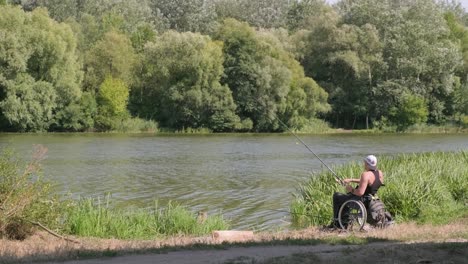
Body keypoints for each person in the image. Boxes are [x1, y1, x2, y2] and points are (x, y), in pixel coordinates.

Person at [330, 155, 384, 227]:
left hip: (361, 201)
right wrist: (351, 180)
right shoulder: (379, 173)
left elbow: (360, 192)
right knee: (344, 197)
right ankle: (344, 221)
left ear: (367, 164)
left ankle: (337, 222)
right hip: (370, 199)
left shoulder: (365, 175)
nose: (364, 164)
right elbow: (368, 181)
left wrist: (351, 189)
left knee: (337, 196)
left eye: (365, 163)